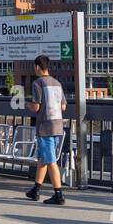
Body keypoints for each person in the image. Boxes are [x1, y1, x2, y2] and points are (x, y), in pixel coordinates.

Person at [25, 55, 68, 204]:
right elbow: (63, 106)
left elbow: (36, 107)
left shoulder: (38, 83)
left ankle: (59, 194)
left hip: (45, 127)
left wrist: (26, 104)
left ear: (37, 67)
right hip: (58, 126)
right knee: (43, 159)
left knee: (50, 161)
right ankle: (35, 190)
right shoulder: (57, 83)